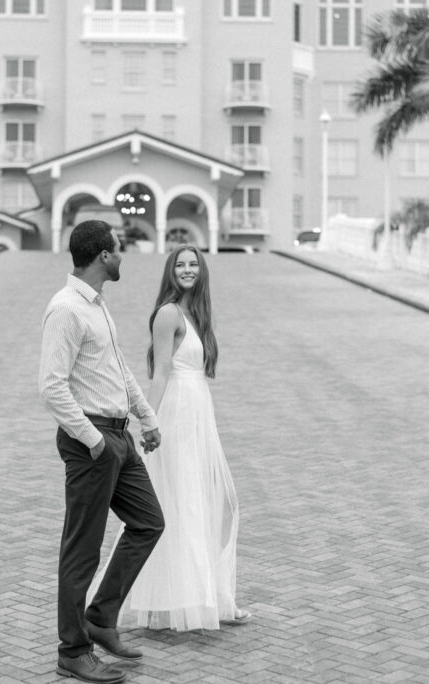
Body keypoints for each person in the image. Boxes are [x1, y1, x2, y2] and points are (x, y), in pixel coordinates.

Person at [89, 245, 249, 631]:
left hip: (198, 416)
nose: (188, 269)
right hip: (176, 415)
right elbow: (160, 374)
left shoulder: (197, 314)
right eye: (181, 264)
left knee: (215, 503)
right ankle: (192, 601)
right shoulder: (168, 314)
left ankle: (208, 596)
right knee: (187, 502)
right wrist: (147, 422)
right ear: (170, 271)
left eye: (194, 264)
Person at [39, 219, 166, 684]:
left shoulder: (97, 305)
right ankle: (73, 651)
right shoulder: (66, 310)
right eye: (118, 248)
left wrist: (147, 418)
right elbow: (51, 389)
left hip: (119, 436)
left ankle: (100, 618)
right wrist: (93, 442)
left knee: (149, 522)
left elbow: (118, 368)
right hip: (91, 440)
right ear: (101, 256)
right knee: (82, 550)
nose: (122, 254)